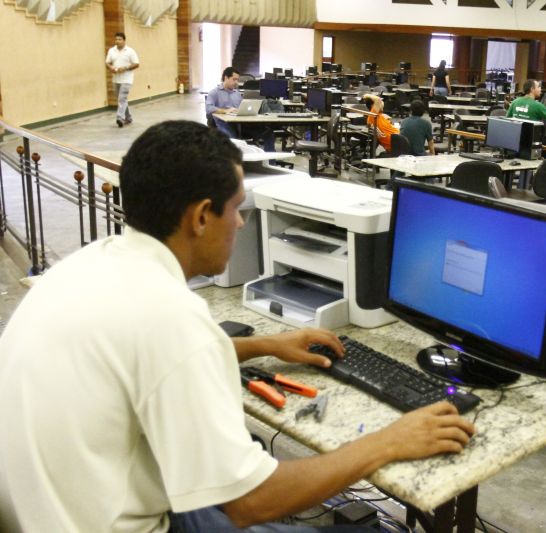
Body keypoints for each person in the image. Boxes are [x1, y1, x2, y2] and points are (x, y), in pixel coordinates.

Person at [0, 120, 475, 532]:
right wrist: (387, 441)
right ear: (202, 216)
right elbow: (251, 501)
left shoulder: (92, 264)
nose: (243, 225)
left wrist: (266, 345)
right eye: (237, 209)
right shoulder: (170, 317)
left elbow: (139, 368)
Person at [206, 66, 276, 152]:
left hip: (241, 124)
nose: (236, 82)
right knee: (233, 141)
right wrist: (225, 111)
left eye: (237, 80)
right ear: (226, 78)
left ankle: (270, 162)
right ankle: (235, 163)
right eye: (234, 79)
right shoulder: (214, 92)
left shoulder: (237, 93)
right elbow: (209, 108)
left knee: (268, 133)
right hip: (224, 124)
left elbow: (242, 107)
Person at [105, 32, 139, 128]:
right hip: (116, 79)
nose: (117, 41)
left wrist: (125, 68)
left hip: (127, 79)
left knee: (122, 98)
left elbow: (136, 64)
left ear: (124, 40)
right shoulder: (112, 51)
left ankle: (120, 118)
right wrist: (111, 68)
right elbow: (107, 62)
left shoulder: (130, 51)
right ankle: (129, 118)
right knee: (122, 99)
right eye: (116, 39)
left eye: (120, 39)